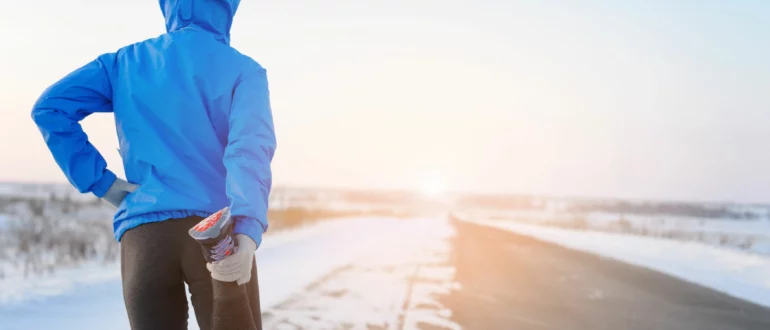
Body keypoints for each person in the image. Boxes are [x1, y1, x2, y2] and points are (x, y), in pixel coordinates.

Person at [30, 0, 275, 329]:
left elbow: (50, 107)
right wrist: (247, 231)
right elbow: (249, 150)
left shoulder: (125, 63)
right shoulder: (244, 71)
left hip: (145, 240)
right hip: (216, 236)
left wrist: (101, 182)